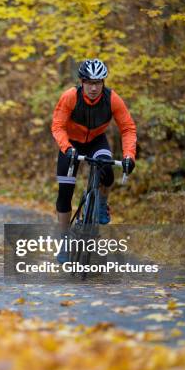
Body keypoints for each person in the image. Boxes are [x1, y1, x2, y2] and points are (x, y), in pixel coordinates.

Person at [50, 59, 137, 263]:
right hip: (70, 143)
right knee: (65, 194)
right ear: (82, 82)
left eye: (98, 83)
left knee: (107, 171)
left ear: (103, 83)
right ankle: (64, 242)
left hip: (97, 141)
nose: (94, 88)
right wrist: (67, 148)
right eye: (89, 83)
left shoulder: (112, 99)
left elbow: (128, 128)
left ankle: (102, 203)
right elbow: (57, 126)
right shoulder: (70, 97)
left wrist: (129, 156)